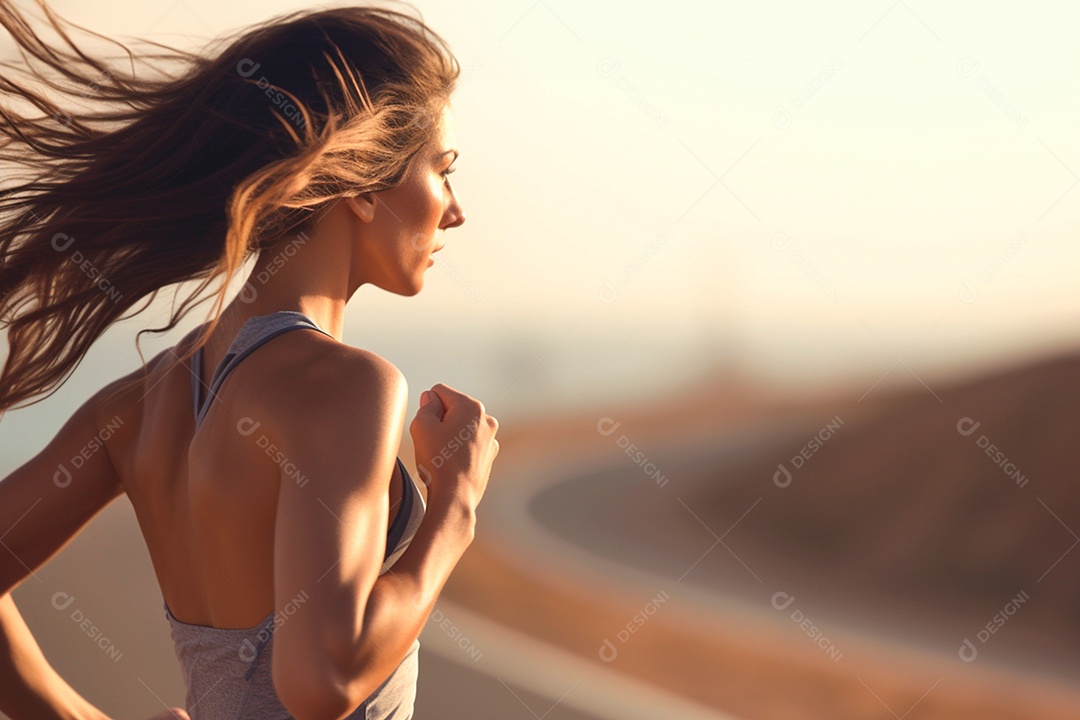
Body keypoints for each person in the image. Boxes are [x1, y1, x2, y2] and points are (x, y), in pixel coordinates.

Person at [0, 1, 499, 718]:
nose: (454, 211)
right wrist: (455, 508)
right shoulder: (347, 386)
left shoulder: (138, 403)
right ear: (362, 185)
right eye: (441, 171)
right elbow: (322, 680)